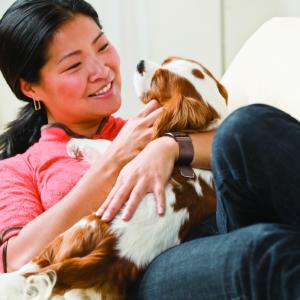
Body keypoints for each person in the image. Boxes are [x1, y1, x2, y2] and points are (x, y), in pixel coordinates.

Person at [1, 1, 300, 300]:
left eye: (102, 46)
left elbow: (232, 145)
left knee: (246, 125)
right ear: (31, 88)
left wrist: (168, 146)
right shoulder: (20, 168)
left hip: (218, 221)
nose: (100, 70)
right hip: (132, 271)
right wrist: (114, 162)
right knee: (264, 251)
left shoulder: (153, 119)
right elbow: (16, 259)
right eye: (74, 65)